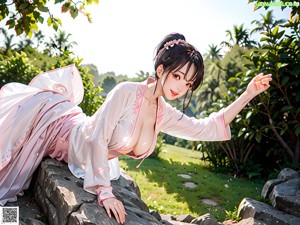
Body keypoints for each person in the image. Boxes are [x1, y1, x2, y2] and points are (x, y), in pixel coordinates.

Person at [0, 32, 272, 224]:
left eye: (188, 83)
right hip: (58, 130)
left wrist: (248, 94)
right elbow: (98, 136)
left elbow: (207, 127)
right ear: (161, 69)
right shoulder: (126, 92)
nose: (180, 87)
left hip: (78, 148)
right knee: (8, 188)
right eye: (177, 76)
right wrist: (104, 192)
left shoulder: (163, 113)